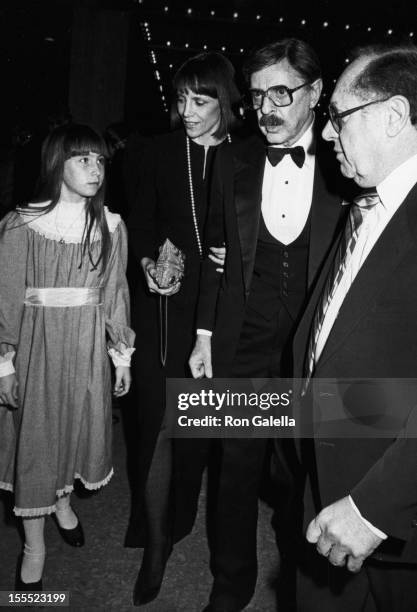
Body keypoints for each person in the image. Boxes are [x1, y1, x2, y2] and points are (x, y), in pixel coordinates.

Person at [189, 38, 351, 612]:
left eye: (282, 92)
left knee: (304, 475)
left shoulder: (347, 162)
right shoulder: (232, 159)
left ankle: (301, 588)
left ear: (316, 92)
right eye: (258, 97)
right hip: (244, 339)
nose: (268, 109)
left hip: (316, 348)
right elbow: (215, 253)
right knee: (234, 471)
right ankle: (230, 586)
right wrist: (205, 334)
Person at [292, 44, 417, 611]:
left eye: (338, 117)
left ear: (393, 117)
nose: (324, 135)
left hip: (390, 520)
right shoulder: (365, 204)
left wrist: (374, 508)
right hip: (328, 490)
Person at [125, 51, 240, 606]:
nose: (187, 111)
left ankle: (178, 515)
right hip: (164, 302)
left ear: (224, 100)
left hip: (218, 308)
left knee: (196, 424)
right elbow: (140, 226)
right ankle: (154, 541)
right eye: (180, 100)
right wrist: (148, 265)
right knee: (156, 421)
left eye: (199, 100)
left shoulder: (247, 157)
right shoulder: (157, 151)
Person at [0, 123, 134, 590]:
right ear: (58, 163)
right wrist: (5, 362)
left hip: (86, 348)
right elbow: (6, 296)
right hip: (39, 346)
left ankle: (62, 502)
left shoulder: (111, 226)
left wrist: (122, 357)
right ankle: (33, 544)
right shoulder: (23, 224)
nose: (94, 169)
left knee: (76, 428)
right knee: (37, 438)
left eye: (100, 160)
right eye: (82, 159)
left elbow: (115, 295)